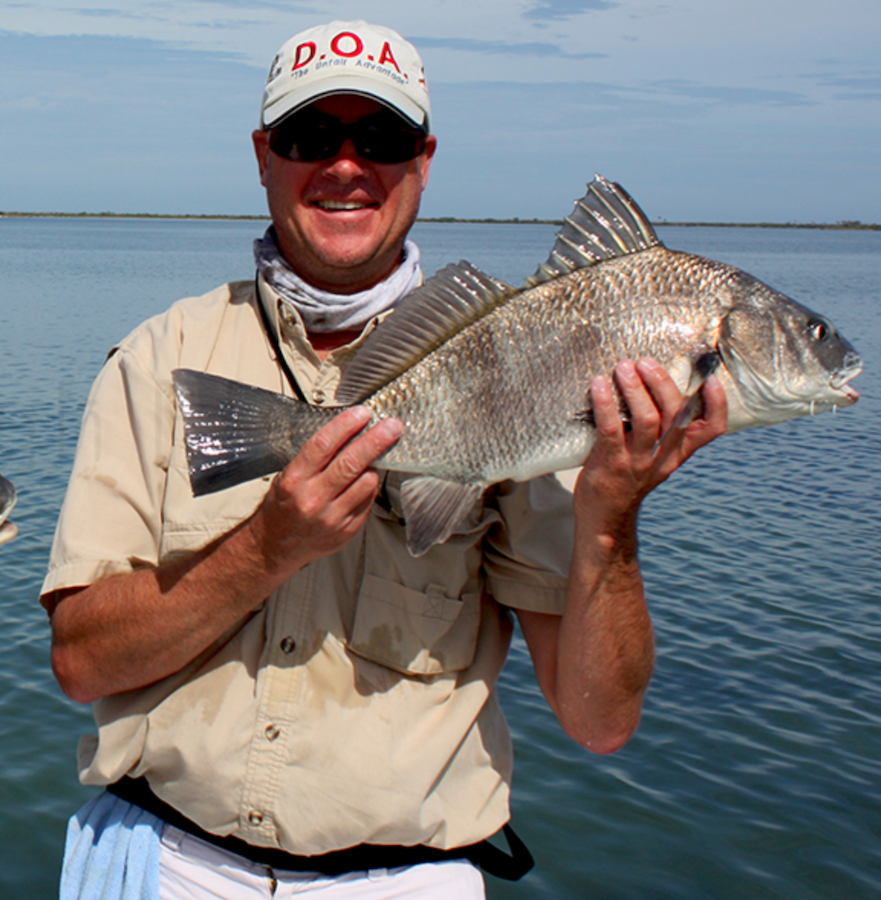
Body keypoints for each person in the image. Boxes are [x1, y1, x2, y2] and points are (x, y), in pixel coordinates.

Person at [40, 19, 727, 899]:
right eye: (310, 136)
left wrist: (613, 516)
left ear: (425, 158)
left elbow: (600, 721)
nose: (346, 165)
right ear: (263, 155)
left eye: (385, 138)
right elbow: (79, 664)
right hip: (163, 859)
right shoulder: (157, 359)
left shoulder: (536, 364)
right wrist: (269, 546)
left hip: (406, 880)